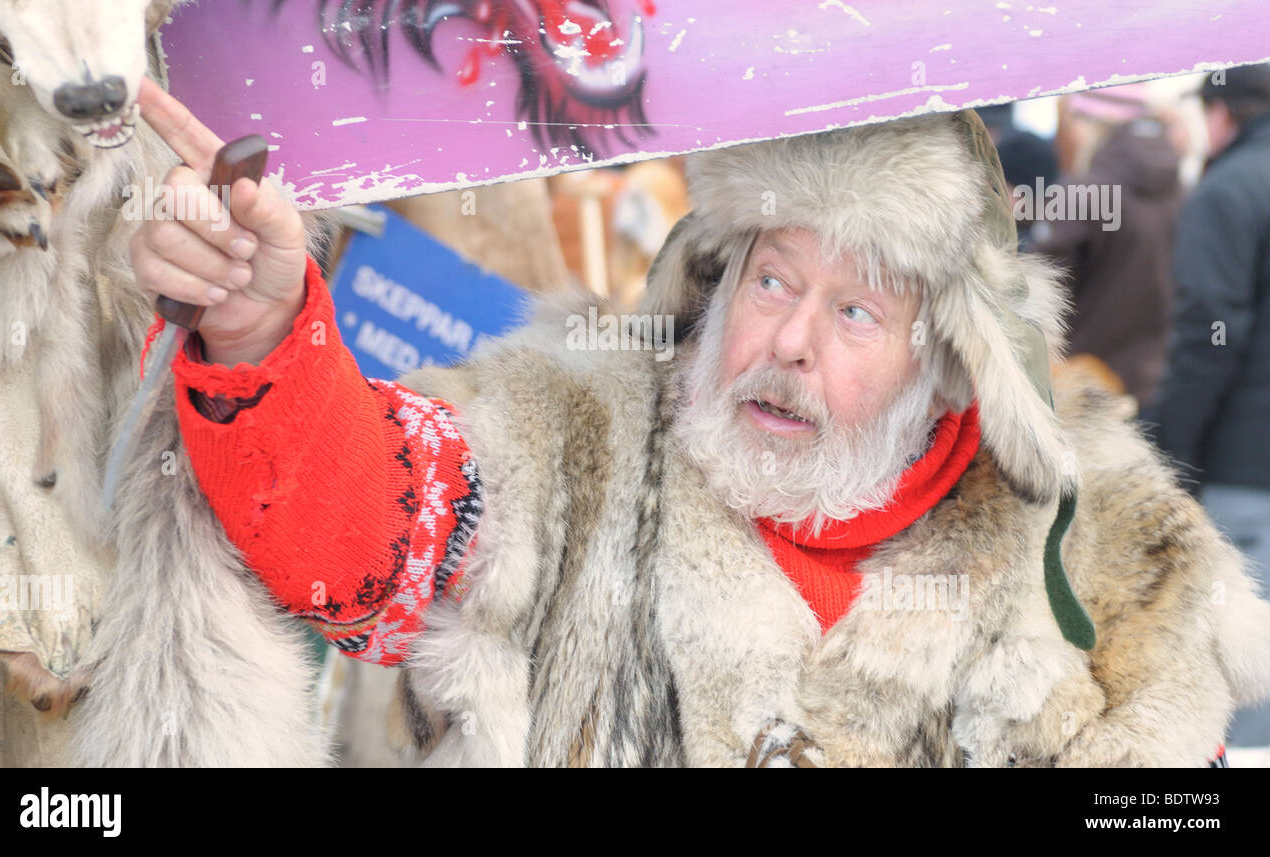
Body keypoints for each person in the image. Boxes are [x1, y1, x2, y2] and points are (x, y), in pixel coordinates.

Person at [127, 78, 1270, 767]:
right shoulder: (568, 437)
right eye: (771, 281)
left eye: (856, 307)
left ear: (951, 360)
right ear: (714, 278)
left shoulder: (1113, 560)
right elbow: (361, 527)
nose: (788, 342)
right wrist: (265, 325)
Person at [1154, 63, 1270, 748]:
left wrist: (1168, 454)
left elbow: (1208, 335)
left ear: (1221, 112)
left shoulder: (1229, 190)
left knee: (1243, 675)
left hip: (1243, 464)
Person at [1029, 109, 1184, 409]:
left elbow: (1037, 288)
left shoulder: (1081, 192)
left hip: (1078, 387)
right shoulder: (1185, 192)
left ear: (1090, 124)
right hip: (1156, 382)